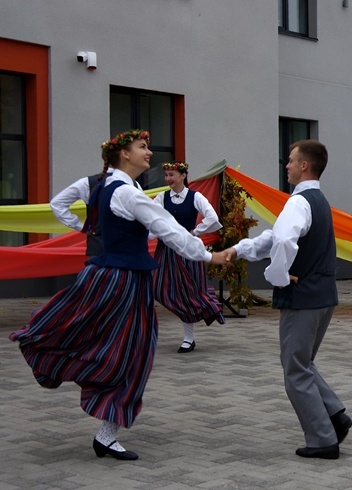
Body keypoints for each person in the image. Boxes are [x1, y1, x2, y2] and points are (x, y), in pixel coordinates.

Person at [9, 129, 229, 461]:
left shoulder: (111, 187)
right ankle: (103, 427)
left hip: (107, 275)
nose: (150, 152)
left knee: (113, 345)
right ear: (123, 154)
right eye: (142, 146)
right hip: (124, 281)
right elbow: (166, 228)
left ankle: (101, 424)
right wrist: (209, 255)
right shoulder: (128, 193)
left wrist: (84, 228)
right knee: (133, 352)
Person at [224, 139, 352, 460]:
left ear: (304, 166)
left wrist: (277, 277)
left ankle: (323, 439)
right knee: (302, 362)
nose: (287, 165)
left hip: (304, 297)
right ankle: (335, 415)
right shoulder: (316, 200)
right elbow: (275, 236)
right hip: (323, 296)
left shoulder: (298, 203)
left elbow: (282, 240)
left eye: (291, 160)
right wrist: (240, 249)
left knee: (295, 369)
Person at [152, 161, 224, 353]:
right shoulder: (161, 197)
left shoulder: (195, 197)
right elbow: (149, 218)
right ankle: (145, 332)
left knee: (187, 292)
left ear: (183, 176)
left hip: (187, 251)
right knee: (155, 286)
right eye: (166, 175)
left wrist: (195, 232)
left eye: (171, 175)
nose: (168, 179)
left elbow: (213, 218)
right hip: (165, 250)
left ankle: (188, 338)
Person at [50, 168, 115, 255]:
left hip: (99, 248)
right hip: (112, 250)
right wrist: (82, 227)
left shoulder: (89, 182)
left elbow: (57, 203)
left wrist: (82, 227)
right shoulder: (132, 183)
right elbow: (57, 203)